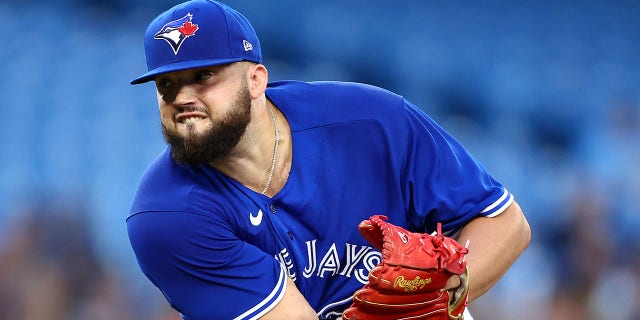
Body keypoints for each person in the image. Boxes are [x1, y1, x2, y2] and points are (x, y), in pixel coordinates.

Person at [126, 0, 531, 319]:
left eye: (203, 76)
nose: (181, 98)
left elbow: (505, 222)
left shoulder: (370, 122)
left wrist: (437, 298)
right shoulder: (165, 214)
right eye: (166, 85)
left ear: (256, 80)